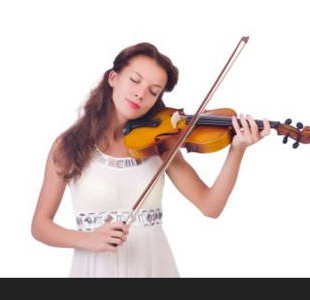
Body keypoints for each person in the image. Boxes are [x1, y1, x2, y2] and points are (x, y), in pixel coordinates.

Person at [31, 42, 270, 277]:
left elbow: (210, 206)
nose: (140, 93)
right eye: (135, 81)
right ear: (113, 78)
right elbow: (40, 226)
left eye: (154, 91)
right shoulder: (68, 145)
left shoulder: (159, 144)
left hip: (154, 267)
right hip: (95, 269)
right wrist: (87, 239)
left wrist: (237, 150)